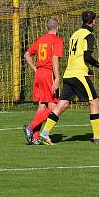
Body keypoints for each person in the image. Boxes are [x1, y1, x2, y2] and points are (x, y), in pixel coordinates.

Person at [38, 11, 99, 145]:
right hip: (78, 74)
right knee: (95, 102)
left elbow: (77, 56)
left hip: (69, 73)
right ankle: (97, 136)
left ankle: (44, 134)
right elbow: (86, 57)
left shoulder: (75, 34)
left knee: (62, 104)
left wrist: (88, 68)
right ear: (94, 21)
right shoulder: (88, 36)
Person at [22, 17, 63, 145]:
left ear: (47, 28)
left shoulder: (40, 39)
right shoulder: (57, 40)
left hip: (39, 73)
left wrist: (35, 69)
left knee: (42, 105)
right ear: (58, 27)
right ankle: (31, 127)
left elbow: (27, 54)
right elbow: (55, 59)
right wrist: (57, 78)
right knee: (54, 107)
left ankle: (34, 138)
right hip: (48, 74)